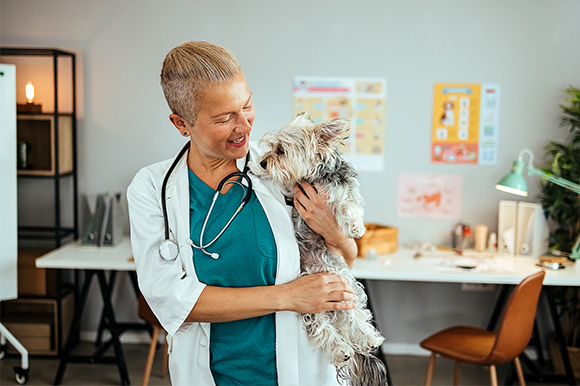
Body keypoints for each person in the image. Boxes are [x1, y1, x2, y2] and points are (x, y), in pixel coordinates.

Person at [127, 41, 358, 386]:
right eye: (224, 118)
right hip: (214, 374)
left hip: (302, 371)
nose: (244, 126)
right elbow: (172, 300)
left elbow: (343, 259)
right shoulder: (151, 188)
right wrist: (289, 297)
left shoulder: (278, 169)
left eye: (247, 106)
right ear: (181, 124)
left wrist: (336, 233)